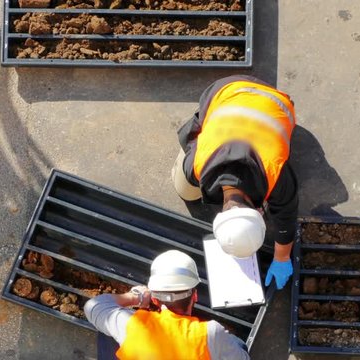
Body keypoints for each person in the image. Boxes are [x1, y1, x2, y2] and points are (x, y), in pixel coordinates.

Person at [171, 75, 298, 290]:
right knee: (186, 187)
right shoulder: (196, 168)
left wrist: (283, 258)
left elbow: (287, 216)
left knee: (189, 186)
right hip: (227, 91)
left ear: (259, 212)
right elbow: (189, 131)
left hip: (272, 100)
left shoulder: (274, 173)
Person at [84, 250, 250, 360]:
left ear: (155, 300)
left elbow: (93, 306)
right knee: (236, 343)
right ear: (196, 296)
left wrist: (137, 297)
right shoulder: (210, 333)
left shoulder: (133, 326)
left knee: (107, 330)